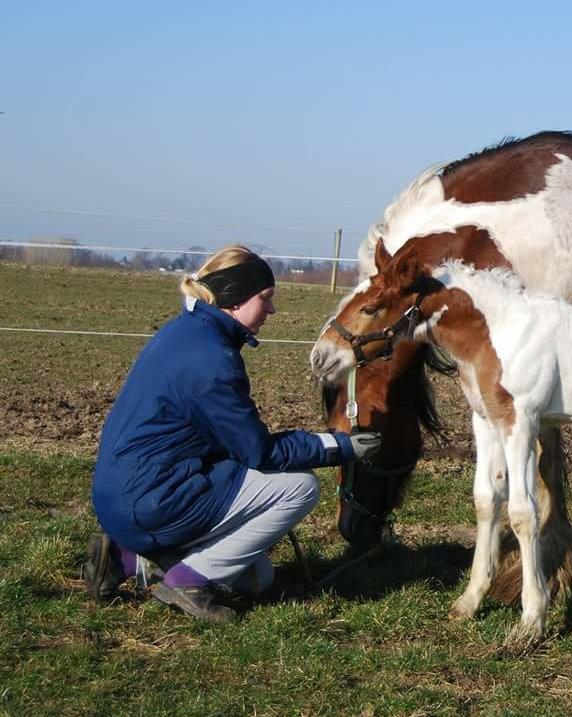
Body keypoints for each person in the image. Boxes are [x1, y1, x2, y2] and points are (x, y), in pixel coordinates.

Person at [83, 245, 379, 621]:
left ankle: (125, 559)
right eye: (265, 298)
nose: (271, 310)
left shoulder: (184, 333)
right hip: (152, 499)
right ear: (236, 299)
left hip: (125, 494)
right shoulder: (213, 361)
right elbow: (259, 453)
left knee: (256, 578)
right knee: (298, 487)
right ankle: (187, 582)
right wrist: (339, 446)